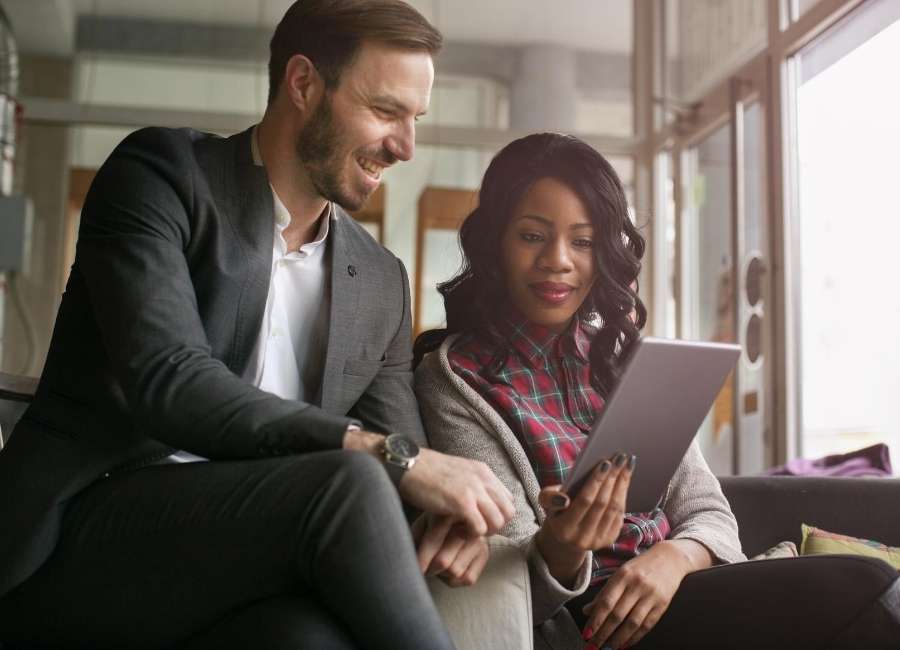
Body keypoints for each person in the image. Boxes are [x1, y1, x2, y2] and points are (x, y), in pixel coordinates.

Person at [0, 1, 515, 648]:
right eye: (386, 112)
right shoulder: (161, 177)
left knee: (309, 641)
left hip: (246, 562)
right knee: (349, 477)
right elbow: (170, 382)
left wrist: (449, 519)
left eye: (415, 120)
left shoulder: (379, 279)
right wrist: (382, 455)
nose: (406, 146)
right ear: (302, 84)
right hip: (86, 537)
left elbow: (402, 454)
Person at [413, 133, 746, 650]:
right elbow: (503, 582)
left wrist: (674, 558)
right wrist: (562, 547)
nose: (558, 260)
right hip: (595, 621)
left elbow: (710, 512)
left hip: (681, 587)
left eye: (584, 241)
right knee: (858, 590)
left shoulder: (625, 358)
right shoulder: (455, 379)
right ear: (496, 244)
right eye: (532, 236)